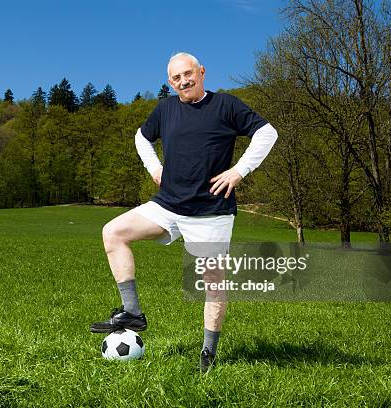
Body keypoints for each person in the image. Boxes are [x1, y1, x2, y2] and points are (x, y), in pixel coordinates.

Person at [90, 52, 278, 373]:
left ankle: (208, 353)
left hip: (211, 212)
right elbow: (141, 137)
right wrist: (154, 166)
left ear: (202, 72)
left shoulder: (226, 106)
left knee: (212, 282)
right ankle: (133, 312)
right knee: (114, 233)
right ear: (170, 82)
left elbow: (267, 132)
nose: (183, 81)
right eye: (176, 78)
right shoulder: (165, 109)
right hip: (169, 205)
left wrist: (239, 171)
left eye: (188, 74)